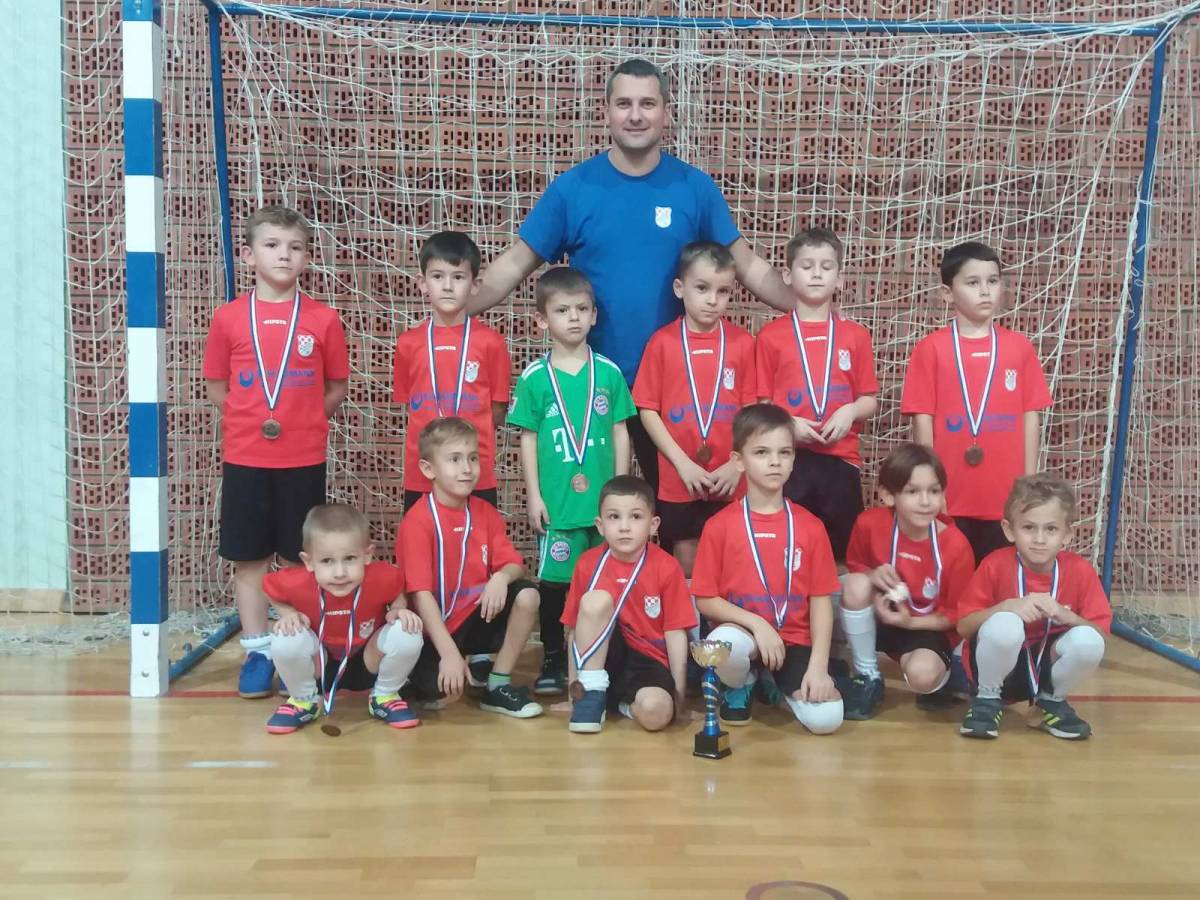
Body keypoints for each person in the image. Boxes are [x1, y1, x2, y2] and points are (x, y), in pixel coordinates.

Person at [469, 58, 794, 489]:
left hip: (678, 391)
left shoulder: (693, 188)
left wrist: (807, 304)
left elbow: (747, 264)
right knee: (599, 512)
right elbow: (514, 263)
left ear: (666, 113)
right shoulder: (574, 189)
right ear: (606, 111)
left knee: (682, 516)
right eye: (624, 104)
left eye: (647, 104)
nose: (635, 115)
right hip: (597, 386)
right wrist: (456, 306)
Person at [201, 205, 349, 698]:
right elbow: (217, 386)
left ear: (306, 257)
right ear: (248, 255)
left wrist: (303, 421)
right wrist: (252, 421)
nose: (284, 255)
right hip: (246, 457)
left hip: (303, 457)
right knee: (250, 559)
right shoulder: (228, 318)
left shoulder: (323, 319)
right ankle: (258, 652)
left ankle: (297, 650)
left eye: (295, 247)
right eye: (272, 245)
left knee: (301, 558)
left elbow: (336, 386)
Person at [506, 267, 636, 695]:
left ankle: (606, 656)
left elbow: (620, 431)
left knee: (605, 580)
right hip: (559, 502)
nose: (574, 318)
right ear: (542, 320)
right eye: (562, 310)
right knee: (555, 584)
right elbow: (527, 437)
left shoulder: (609, 374)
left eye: (582, 309)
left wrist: (621, 488)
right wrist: (534, 495)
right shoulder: (535, 377)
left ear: (594, 315)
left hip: (603, 504)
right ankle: (552, 657)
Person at [692, 403, 844, 735]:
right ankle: (741, 682)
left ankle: (773, 681)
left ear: (793, 458)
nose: (775, 461)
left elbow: (820, 601)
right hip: (743, 634)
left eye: (784, 452)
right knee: (722, 644)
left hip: (794, 640)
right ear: (739, 461)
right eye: (761, 452)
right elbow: (705, 599)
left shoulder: (811, 527)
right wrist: (757, 624)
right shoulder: (720, 526)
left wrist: (818, 668)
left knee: (827, 719)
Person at [901, 241, 1052, 564]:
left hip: (1005, 498)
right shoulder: (931, 349)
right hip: (950, 496)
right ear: (947, 294)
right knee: (951, 579)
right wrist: (930, 486)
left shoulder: (1020, 348)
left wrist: (1028, 483)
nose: (985, 291)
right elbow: (922, 420)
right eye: (973, 282)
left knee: (999, 578)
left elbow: (1030, 417)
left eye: (992, 281)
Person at [397, 417, 544, 718]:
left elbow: (514, 564)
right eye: (454, 459)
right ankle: (413, 675)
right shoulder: (417, 521)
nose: (467, 468)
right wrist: (449, 654)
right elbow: (421, 595)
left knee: (527, 596)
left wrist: (500, 577)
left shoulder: (485, 512)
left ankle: (497, 685)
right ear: (428, 469)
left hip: (473, 618)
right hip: (433, 629)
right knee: (439, 693)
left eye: (473, 458)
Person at [632, 241, 757, 574]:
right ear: (679, 288)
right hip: (680, 477)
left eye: (723, 291)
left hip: (730, 478)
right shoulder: (662, 343)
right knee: (686, 561)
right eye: (702, 288)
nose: (712, 300)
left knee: (732, 561)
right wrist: (683, 464)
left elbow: (753, 413)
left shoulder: (743, 344)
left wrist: (738, 464)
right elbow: (647, 411)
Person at [755, 227, 878, 561]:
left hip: (841, 460)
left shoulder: (856, 336)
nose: (816, 274)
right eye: (807, 266)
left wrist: (850, 411)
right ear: (788, 275)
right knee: (787, 550)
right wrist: (786, 423)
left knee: (841, 557)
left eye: (826, 267)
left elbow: (869, 399)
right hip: (788, 458)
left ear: (839, 278)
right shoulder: (770, 337)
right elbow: (762, 403)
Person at [957, 473, 1110, 740]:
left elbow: (1101, 635)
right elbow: (963, 627)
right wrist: (1006, 606)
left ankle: (1050, 702)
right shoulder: (994, 565)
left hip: (1046, 667)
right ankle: (986, 699)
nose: (1039, 539)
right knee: (1005, 623)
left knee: (1088, 641)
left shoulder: (1080, 571)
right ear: (1009, 530)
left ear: (1067, 534)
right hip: (996, 667)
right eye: (1029, 527)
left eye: (1051, 529)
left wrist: (1066, 615)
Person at [837, 444, 976, 719]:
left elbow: (956, 617)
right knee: (854, 584)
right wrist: (872, 575)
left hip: (925, 626)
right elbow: (854, 567)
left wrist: (909, 623)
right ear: (888, 495)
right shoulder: (869, 524)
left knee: (923, 677)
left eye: (934, 491)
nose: (925, 502)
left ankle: (951, 673)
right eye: (913, 492)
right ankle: (868, 676)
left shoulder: (956, 545)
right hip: (880, 614)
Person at [261, 504, 424, 734]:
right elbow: (268, 588)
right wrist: (288, 614)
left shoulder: (382, 576)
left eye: (349, 558)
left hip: (368, 661)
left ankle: (385, 696)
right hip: (321, 665)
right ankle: (304, 701)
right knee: (286, 635)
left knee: (407, 628)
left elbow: (399, 587)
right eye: (327, 561)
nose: (339, 573)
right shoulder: (295, 581)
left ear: (367, 555)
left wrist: (398, 609)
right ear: (308, 561)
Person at [563, 476, 696, 734]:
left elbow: (675, 633)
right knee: (595, 600)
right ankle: (591, 696)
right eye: (614, 517)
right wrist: (573, 696)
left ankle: (620, 706)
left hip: (648, 662)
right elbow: (574, 633)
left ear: (653, 525)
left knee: (657, 714)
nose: (624, 527)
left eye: (635, 517)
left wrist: (679, 699)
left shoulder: (668, 567)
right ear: (600, 525)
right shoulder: (587, 564)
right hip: (603, 657)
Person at [392, 231, 510, 510]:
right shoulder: (408, 343)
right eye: (437, 276)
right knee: (422, 536)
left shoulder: (491, 343)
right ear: (422, 283)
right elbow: (411, 405)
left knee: (478, 537)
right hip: (423, 472)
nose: (447, 286)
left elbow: (497, 410)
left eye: (458, 277)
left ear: (474, 285)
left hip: (474, 472)